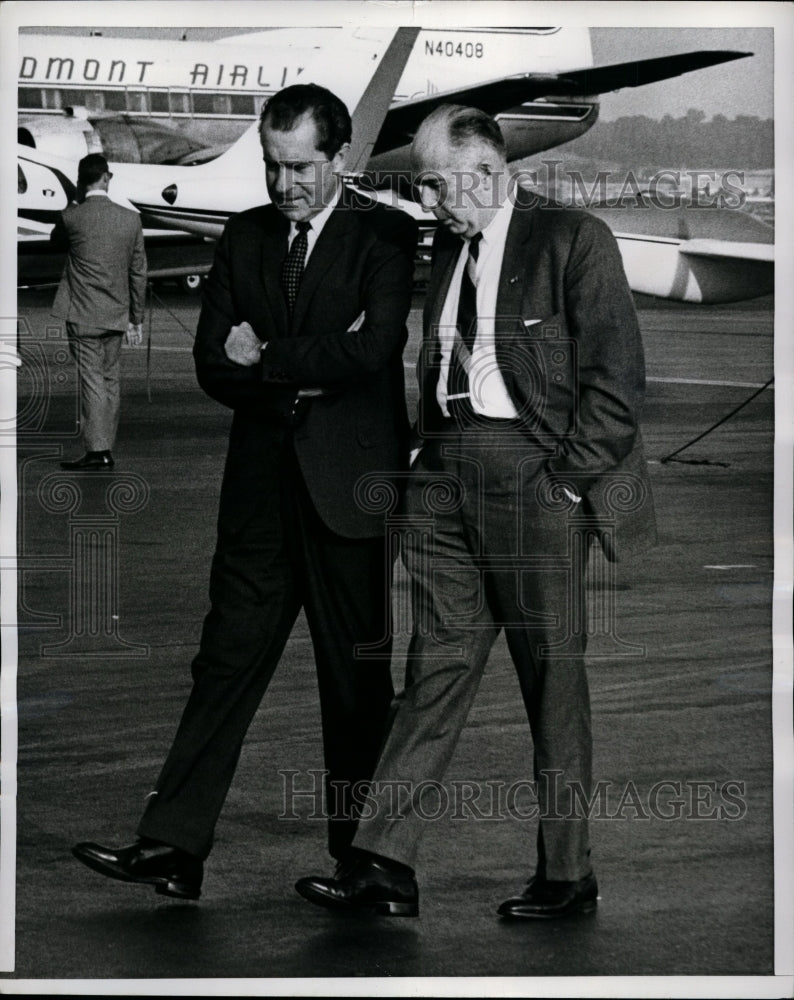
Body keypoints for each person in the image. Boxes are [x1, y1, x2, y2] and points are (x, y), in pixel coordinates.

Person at [295, 104, 657, 919]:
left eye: (440, 188)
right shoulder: (456, 240)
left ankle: (568, 875)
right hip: (447, 475)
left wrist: (564, 482)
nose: (432, 205)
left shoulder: (573, 238)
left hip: (533, 477)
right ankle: (383, 863)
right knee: (435, 671)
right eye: (424, 190)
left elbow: (617, 381)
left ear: (490, 172)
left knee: (552, 680)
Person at [72, 84, 417, 900]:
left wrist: (271, 358)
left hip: (348, 492)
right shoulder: (246, 236)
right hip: (261, 493)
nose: (283, 182)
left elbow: (375, 352)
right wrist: (294, 368)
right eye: (272, 164)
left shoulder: (386, 236)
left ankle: (367, 863)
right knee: (222, 662)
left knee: (355, 681)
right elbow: (211, 366)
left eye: (299, 166)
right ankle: (173, 846)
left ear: (341, 160)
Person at [52, 153, 147, 470]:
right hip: (117, 314)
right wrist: (137, 318)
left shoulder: (71, 217)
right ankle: (105, 445)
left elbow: (56, 241)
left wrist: (74, 201)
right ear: (107, 178)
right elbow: (138, 272)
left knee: (92, 382)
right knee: (110, 381)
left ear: (81, 181)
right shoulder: (130, 219)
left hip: (82, 314)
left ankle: (97, 451)